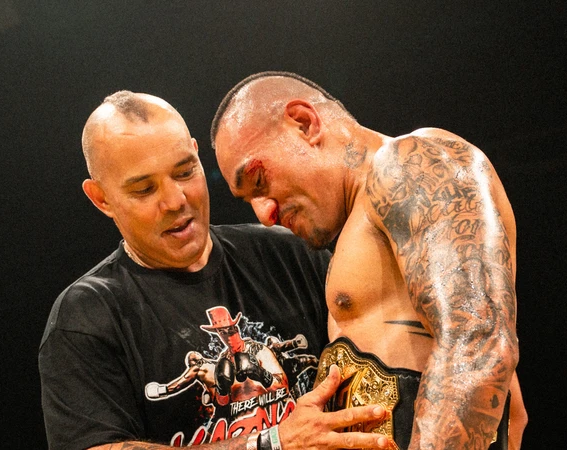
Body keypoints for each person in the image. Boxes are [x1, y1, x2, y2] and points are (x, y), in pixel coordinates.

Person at [38, 91, 395, 450]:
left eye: (185, 172)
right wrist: (272, 443)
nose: (176, 200)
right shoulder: (87, 315)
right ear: (101, 198)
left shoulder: (288, 254)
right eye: (145, 189)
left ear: (197, 154)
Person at [211, 72, 528, 450]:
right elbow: (512, 409)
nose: (264, 215)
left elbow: (477, 342)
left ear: (304, 124)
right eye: (248, 200)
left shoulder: (412, 162)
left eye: (259, 181)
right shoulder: (359, 233)